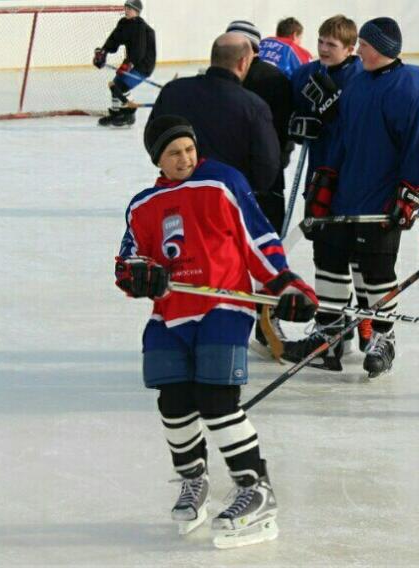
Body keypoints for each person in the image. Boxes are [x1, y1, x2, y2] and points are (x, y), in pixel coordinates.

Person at [115, 114, 318, 547]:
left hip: (223, 306)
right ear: (158, 159)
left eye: (189, 148)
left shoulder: (221, 182)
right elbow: (127, 261)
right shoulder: (142, 205)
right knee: (173, 402)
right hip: (170, 316)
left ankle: (254, 489)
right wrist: (139, 275)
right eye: (174, 153)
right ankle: (194, 480)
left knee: (216, 400)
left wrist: (285, 283)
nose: (185, 157)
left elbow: (257, 238)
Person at [282, 17, 419, 378]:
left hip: (380, 198)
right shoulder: (357, 84)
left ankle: (384, 337)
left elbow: (417, 143)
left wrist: (412, 191)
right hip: (344, 195)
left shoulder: (412, 84)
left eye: (363, 46)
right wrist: (326, 178)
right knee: (329, 261)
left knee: (376, 270)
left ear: (380, 47)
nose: (359, 51)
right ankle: (329, 339)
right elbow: (343, 138)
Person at [286, 15, 373, 361]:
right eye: (320, 41)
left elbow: (362, 124)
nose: (323, 49)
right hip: (319, 176)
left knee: (356, 254)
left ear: (350, 49)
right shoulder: (306, 74)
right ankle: (333, 336)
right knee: (326, 253)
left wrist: (332, 110)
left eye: (331, 45)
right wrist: (298, 125)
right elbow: (292, 114)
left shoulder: (361, 78)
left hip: (352, 179)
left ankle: (363, 320)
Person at [225, 20, 295, 352]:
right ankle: (233, 321)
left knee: (266, 255)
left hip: (262, 183)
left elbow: (281, 134)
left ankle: (266, 320)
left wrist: (274, 166)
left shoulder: (274, 81)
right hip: (232, 183)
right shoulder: (222, 78)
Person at [148, 33, 281, 200]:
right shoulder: (254, 106)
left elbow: (153, 139)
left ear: (213, 58)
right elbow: (267, 167)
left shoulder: (172, 90)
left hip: (176, 197)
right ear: (243, 62)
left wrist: (176, 172)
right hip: (227, 201)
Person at [92, 0, 155, 127]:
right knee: (115, 85)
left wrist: (129, 64)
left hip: (144, 64)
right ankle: (116, 113)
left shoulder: (140, 27)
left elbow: (140, 50)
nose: (126, 10)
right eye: (125, 8)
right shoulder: (124, 23)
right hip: (132, 61)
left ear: (137, 11)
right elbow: (114, 39)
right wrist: (103, 52)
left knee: (122, 86)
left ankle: (129, 114)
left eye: (130, 9)